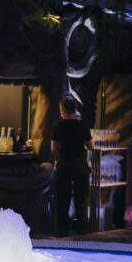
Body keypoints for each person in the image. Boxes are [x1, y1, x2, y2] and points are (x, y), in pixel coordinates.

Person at [51, 98, 94, 236]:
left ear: (63, 110)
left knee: (62, 201)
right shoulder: (82, 125)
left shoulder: (58, 126)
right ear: (75, 110)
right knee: (81, 201)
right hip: (80, 165)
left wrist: (59, 158)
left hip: (64, 165)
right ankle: (82, 231)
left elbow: (53, 149)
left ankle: (61, 232)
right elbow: (91, 146)